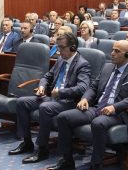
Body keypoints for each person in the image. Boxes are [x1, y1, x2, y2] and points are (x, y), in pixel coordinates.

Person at [50, 40, 128, 170]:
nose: (112, 53)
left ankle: (97, 168)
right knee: (64, 117)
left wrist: (115, 107)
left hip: (119, 113)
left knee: (98, 123)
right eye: (112, 50)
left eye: (117, 51)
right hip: (98, 107)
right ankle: (67, 160)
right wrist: (85, 99)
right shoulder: (107, 67)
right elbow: (93, 87)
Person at [11, 32, 91, 163]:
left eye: (62, 48)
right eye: (57, 47)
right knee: (21, 102)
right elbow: (47, 76)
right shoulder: (60, 60)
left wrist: (61, 92)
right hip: (54, 98)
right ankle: (26, 142)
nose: (59, 51)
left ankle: (42, 149)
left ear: (73, 47)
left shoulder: (82, 64)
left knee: (45, 107)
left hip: (69, 102)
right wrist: (42, 87)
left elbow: (83, 87)